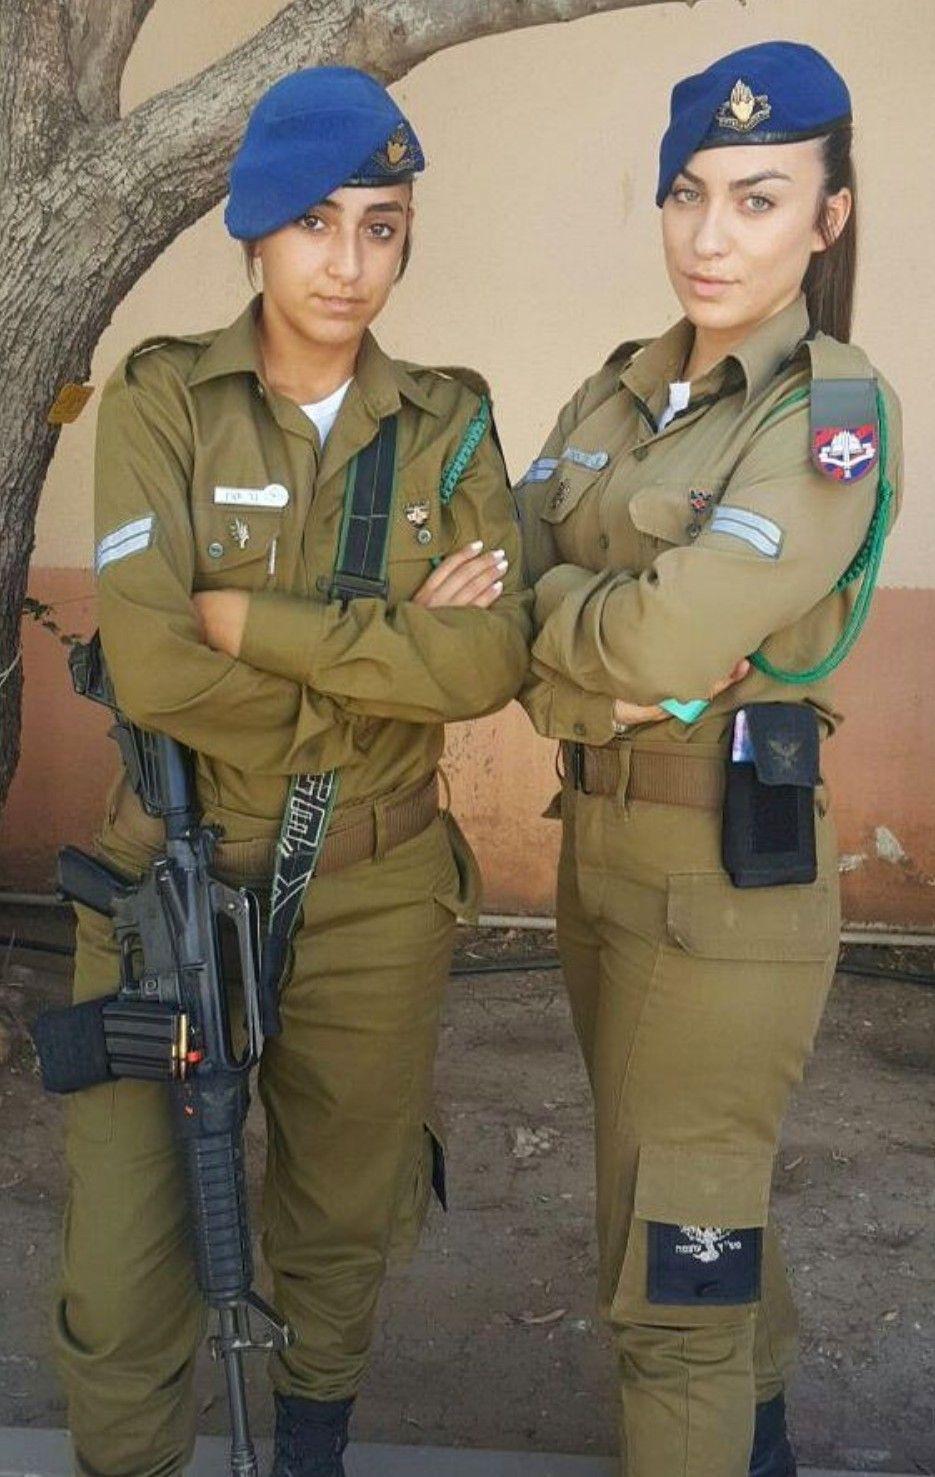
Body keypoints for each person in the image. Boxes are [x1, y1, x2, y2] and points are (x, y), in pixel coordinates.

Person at [54, 67, 530, 1477]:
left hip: (375, 894)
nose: (348, 261)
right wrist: (386, 670)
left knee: (341, 1221)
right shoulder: (165, 402)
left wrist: (254, 625)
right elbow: (154, 667)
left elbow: (489, 660)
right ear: (255, 230)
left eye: (382, 226)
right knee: (129, 1249)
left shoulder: (447, 420)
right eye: (316, 222)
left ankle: (310, 1451)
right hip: (167, 874)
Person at [517, 41, 902, 1477]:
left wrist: (569, 627)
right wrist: (588, 657)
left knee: (670, 1268)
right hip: (598, 849)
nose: (710, 235)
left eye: (758, 197)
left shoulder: (827, 413)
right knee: (684, 1188)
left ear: (828, 217)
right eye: (688, 195)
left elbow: (666, 643)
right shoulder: (618, 393)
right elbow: (495, 585)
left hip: (721, 886)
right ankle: (764, 1440)